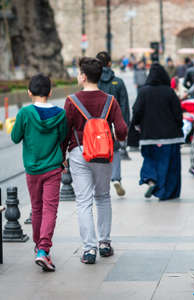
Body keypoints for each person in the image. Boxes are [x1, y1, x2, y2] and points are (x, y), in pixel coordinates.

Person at [63, 57, 128, 264]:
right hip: (103, 154)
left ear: (83, 76)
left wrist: (62, 155)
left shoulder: (72, 101)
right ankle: (105, 243)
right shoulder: (110, 100)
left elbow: (64, 131)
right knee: (103, 197)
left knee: (83, 201)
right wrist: (116, 138)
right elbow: (122, 130)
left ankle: (89, 250)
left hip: (79, 152)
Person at [11, 74, 68, 272]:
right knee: (50, 209)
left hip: (32, 169)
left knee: (36, 208)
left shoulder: (24, 114)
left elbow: (15, 137)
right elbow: (63, 137)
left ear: (29, 92)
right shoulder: (60, 114)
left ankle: (39, 247)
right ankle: (43, 250)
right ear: (50, 92)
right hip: (53, 168)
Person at [131, 63, 184, 200]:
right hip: (170, 137)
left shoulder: (143, 91)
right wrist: (180, 126)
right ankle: (168, 192)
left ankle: (151, 179)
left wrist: (137, 125)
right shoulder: (169, 92)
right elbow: (178, 113)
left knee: (150, 159)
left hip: (149, 135)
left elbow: (136, 111)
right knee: (171, 166)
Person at [96, 51, 130, 197]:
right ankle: (116, 178)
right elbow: (124, 106)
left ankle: (100, 182)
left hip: (95, 124)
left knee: (96, 152)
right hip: (112, 124)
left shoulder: (94, 83)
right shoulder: (119, 82)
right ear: (110, 64)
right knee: (115, 150)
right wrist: (123, 126)